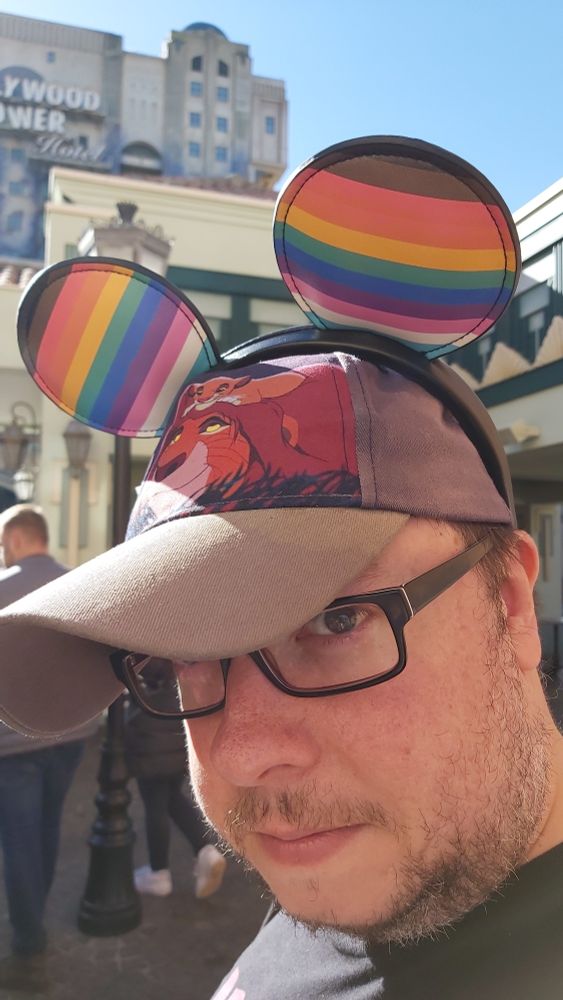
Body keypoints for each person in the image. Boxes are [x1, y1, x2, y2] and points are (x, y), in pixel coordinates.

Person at [0, 135, 562, 999]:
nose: (246, 754)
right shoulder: (338, 897)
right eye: (179, 663)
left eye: (336, 621)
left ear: (513, 604)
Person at [0, 505, 90, 993]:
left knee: (18, 840)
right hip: (70, 735)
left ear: (14, 539)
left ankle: (29, 943)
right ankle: (35, 912)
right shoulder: (78, 584)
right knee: (46, 826)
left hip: (12, 744)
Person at [123, 658, 227, 899]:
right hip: (178, 730)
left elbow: (139, 674)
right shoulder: (181, 643)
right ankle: (205, 850)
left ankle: (158, 873)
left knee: (155, 804)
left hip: (149, 734)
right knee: (171, 797)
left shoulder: (145, 645)